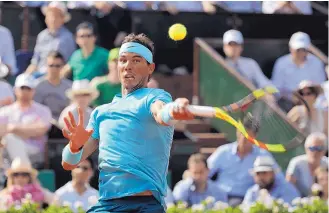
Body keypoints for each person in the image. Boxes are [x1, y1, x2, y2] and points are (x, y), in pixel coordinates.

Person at [60, 33, 194, 212]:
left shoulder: (154, 96)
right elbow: (68, 163)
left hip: (145, 205)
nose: (128, 66)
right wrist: (74, 147)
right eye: (123, 60)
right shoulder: (101, 112)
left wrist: (173, 110)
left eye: (136, 61)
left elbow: (161, 113)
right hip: (108, 204)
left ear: (150, 68)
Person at [207, 113, 284, 206]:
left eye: (247, 136)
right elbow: (206, 172)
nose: (243, 138)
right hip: (219, 199)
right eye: (241, 133)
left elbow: (279, 178)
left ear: (255, 137)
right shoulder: (223, 151)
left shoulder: (263, 155)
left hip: (247, 201)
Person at [0, 74, 52, 165]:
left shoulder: (43, 110)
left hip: (35, 152)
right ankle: (24, 170)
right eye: (22, 88)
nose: (25, 91)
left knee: (10, 137)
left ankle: (22, 170)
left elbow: (41, 130)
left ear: (33, 91)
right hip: (7, 153)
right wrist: (28, 131)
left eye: (28, 88)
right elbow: (1, 132)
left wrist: (14, 129)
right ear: (15, 90)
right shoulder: (4, 111)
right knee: (9, 139)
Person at [271, 32, 326, 102]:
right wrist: (293, 98)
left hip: (313, 102)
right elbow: (276, 89)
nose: (301, 53)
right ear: (291, 48)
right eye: (298, 50)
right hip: (288, 103)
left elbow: (321, 88)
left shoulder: (317, 63)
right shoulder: (281, 63)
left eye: (304, 49)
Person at [25, 2, 75, 76]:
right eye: (50, 16)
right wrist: (28, 73)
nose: (53, 19)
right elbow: (35, 60)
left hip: (58, 75)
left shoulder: (68, 37)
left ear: (62, 19)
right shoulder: (41, 35)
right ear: (46, 19)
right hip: (39, 73)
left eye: (56, 16)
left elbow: (70, 62)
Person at [286, 132, 328, 197]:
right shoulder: (297, 163)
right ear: (306, 149)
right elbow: (288, 186)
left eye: (319, 149)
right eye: (312, 148)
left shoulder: (327, 164)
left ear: (324, 150)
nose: (315, 152)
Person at [34, 51, 72, 120]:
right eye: (51, 65)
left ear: (63, 66)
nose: (54, 69)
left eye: (57, 66)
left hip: (64, 124)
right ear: (46, 66)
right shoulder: (37, 86)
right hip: (42, 124)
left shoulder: (69, 87)